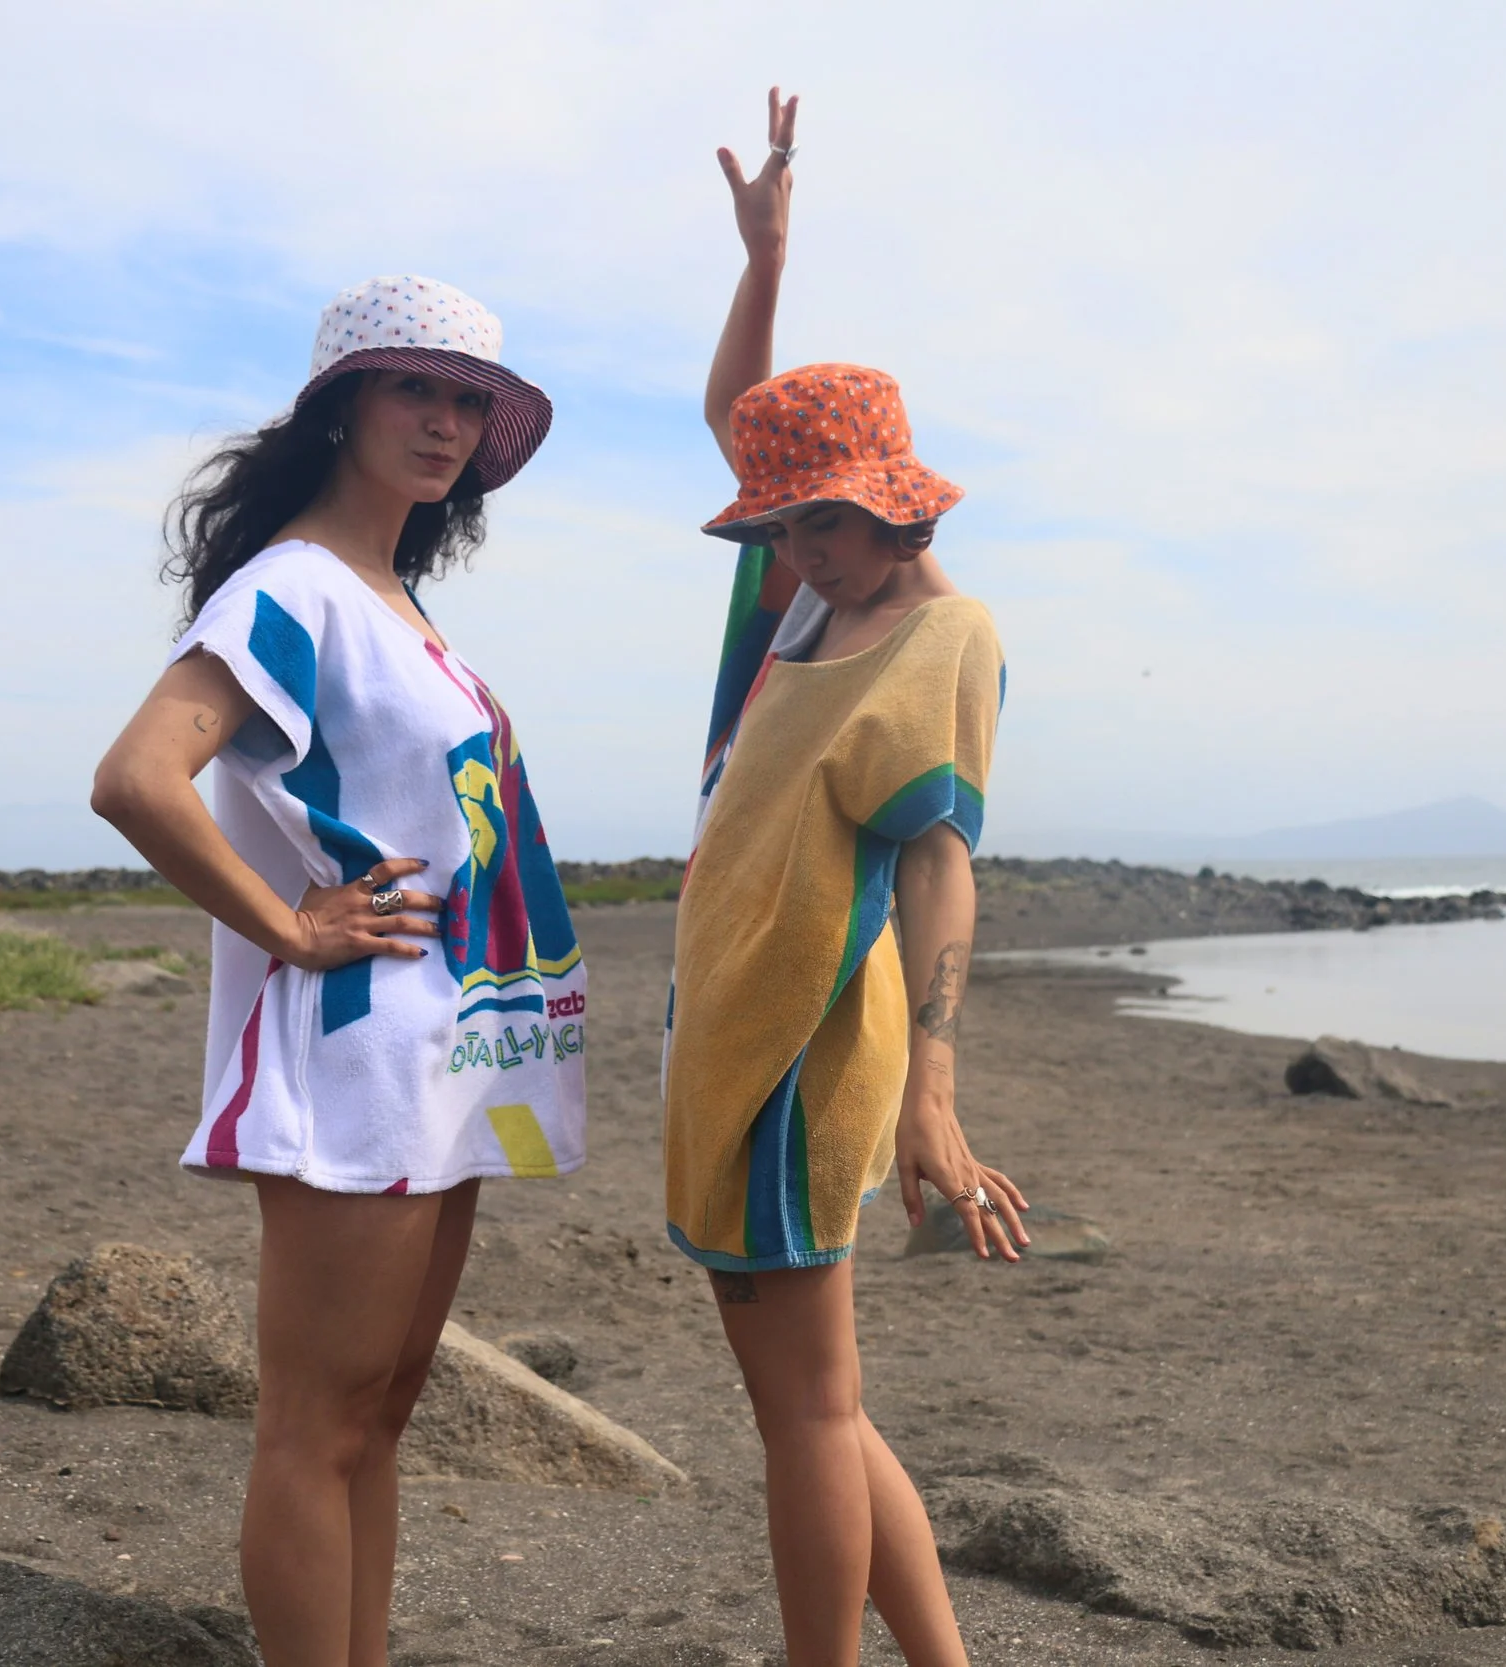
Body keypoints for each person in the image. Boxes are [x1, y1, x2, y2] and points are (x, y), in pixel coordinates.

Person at [90, 275, 584, 1667]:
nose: (445, 423)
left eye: (467, 401)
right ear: (342, 407)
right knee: (316, 1426)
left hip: (443, 1049)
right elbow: (137, 778)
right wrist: (289, 924)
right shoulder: (293, 587)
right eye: (413, 389)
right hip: (355, 1049)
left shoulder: (393, 599)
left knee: (377, 1415)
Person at [662, 90, 1028, 1667]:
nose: (802, 544)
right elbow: (739, 410)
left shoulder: (941, 635)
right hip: (735, 1025)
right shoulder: (809, 597)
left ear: (898, 498)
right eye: (787, 521)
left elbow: (942, 864)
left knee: (804, 1408)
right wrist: (766, 260)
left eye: (829, 517)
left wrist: (936, 1090)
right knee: (821, 1402)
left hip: (805, 1041)